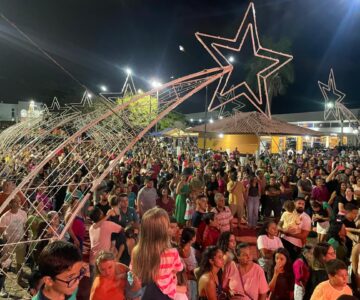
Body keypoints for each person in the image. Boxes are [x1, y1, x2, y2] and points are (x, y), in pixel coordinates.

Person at [132, 207, 183, 299]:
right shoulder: (172, 253)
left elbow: (132, 274)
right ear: (164, 231)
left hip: (145, 295)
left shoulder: (136, 251)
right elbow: (178, 269)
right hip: (165, 295)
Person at [89, 207, 122, 277]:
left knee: (94, 286)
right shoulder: (107, 224)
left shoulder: (91, 228)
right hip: (104, 263)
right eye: (101, 212)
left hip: (92, 262)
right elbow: (121, 229)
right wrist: (112, 216)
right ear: (101, 215)